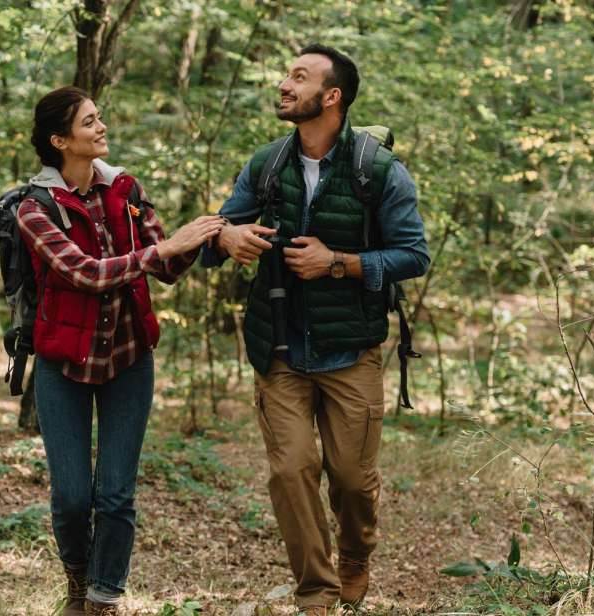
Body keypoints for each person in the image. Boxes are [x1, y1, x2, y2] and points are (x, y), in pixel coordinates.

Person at [204, 45, 430, 614]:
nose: (284, 84)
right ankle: (316, 594)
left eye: (298, 78)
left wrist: (340, 261)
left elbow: (413, 255)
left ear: (331, 97)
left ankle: (356, 556)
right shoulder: (267, 164)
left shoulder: (377, 170)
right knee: (290, 469)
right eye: (286, 74)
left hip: (350, 349)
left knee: (352, 481)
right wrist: (225, 238)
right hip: (278, 347)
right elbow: (213, 233)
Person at [18, 86, 225, 616]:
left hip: (129, 359)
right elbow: (85, 274)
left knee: (115, 494)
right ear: (60, 140)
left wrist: (207, 235)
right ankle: (77, 580)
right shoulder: (33, 208)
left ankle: (103, 599)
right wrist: (164, 247)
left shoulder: (126, 189)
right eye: (90, 123)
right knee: (71, 497)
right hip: (63, 364)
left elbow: (168, 267)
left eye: (100, 118)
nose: (101, 127)